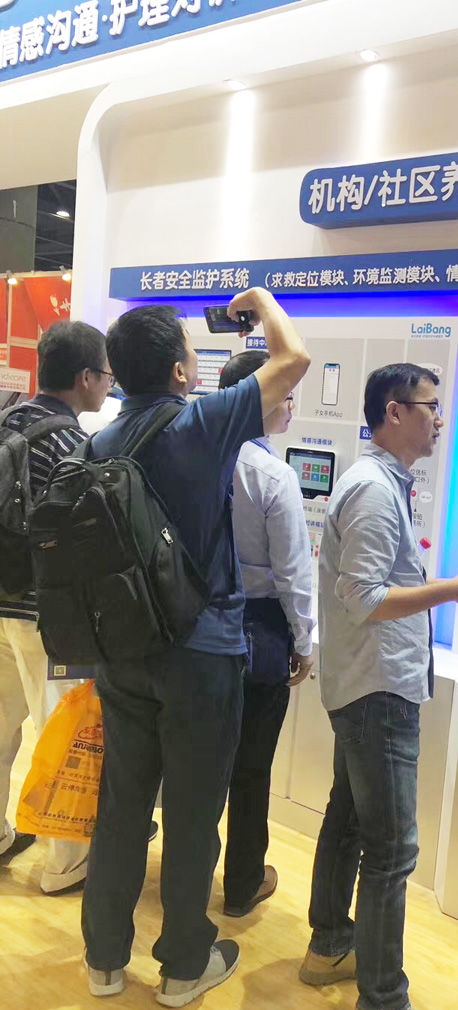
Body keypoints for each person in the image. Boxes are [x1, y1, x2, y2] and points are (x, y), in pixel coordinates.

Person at [80, 289, 310, 1007]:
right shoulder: (202, 424)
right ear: (181, 372)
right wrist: (261, 300)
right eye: (189, 354)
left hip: (123, 651)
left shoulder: (100, 442)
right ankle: (183, 966)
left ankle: (103, 961)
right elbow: (293, 359)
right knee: (191, 813)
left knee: (121, 808)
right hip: (202, 652)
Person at [300, 363, 458, 1010]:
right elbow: (365, 598)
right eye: (431, 406)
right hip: (377, 689)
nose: (440, 419)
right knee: (391, 849)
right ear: (394, 411)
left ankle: (331, 945)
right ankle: (383, 996)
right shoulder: (372, 490)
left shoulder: (382, 484)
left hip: (369, 682)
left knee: (350, 819)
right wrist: (454, 590)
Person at [0, 320, 110, 894]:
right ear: (85, 377)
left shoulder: (6, 421)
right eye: (106, 374)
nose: (109, 385)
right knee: (59, 732)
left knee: (0, 726)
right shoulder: (73, 445)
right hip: (43, 614)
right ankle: (65, 864)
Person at [217, 351, 315, 918]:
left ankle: (190, 875)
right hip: (261, 633)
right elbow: (293, 572)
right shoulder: (273, 475)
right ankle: (243, 883)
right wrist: (305, 642)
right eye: (288, 394)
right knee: (252, 768)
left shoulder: (197, 455)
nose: (292, 406)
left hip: (200, 624)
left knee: (203, 762)